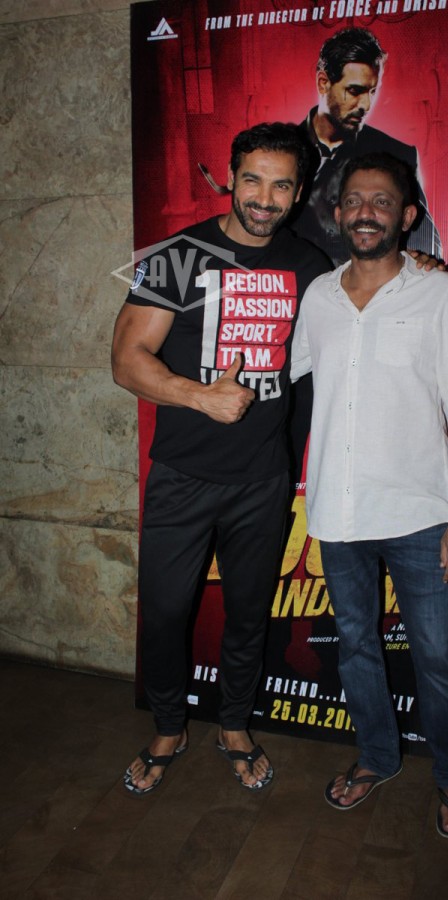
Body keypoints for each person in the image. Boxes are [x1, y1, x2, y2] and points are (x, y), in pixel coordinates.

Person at [112, 122, 331, 795]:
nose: (265, 198)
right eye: (253, 180)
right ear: (230, 178)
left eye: (282, 185)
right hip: (182, 475)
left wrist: (421, 267)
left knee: (249, 614)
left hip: (262, 480)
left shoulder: (310, 266)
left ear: (298, 192)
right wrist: (198, 396)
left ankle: (234, 724)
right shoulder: (177, 257)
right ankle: (168, 727)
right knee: (165, 613)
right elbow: (125, 360)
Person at [291, 152, 448, 838]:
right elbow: (282, 373)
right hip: (338, 512)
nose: (366, 211)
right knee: (355, 646)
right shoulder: (318, 297)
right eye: (354, 200)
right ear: (337, 213)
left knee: (437, 656)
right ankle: (377, 757)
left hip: (420, 516)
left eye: (382, 201)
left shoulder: (444, 296)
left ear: (407, 216)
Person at [293, 27, 442, 266]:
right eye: (355, 91)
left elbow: (425, 241)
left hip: (373, 288)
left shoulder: (397, 154)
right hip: (296, 287)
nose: (365, 105)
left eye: (373, 91)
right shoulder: (281, 152)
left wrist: (424, 263)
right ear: (323, 83)